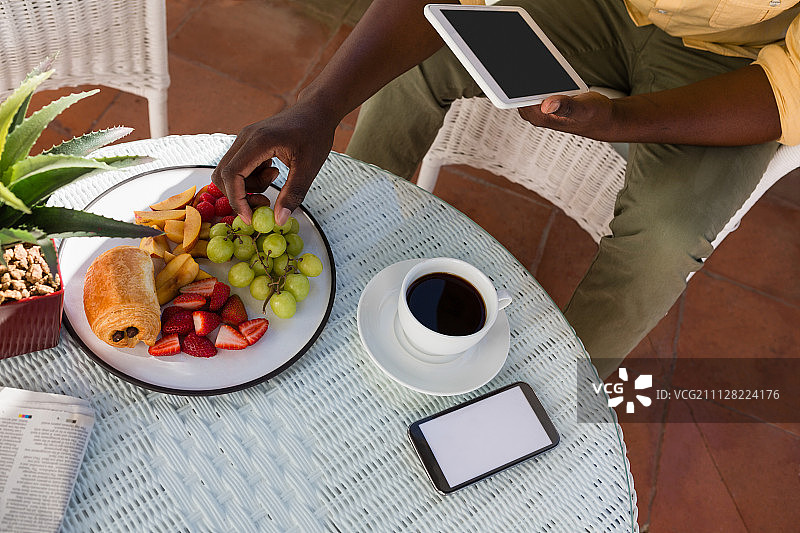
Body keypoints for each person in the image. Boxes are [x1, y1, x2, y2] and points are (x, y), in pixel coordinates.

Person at [211, 0, 798, 378]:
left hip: (739, 66)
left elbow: (790, 86)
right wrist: (319, 109)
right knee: (411, 67)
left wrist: (621, 123)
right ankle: (341, 258)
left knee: (666, 239)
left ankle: (552, 405)